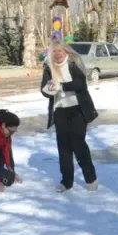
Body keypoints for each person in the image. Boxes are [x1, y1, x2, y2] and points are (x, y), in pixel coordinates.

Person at [41, 39, 99, 193]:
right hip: (60, 110)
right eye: (54, 52)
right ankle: (66, 181)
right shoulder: (48, 66)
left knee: (78, 144)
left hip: (78, 109)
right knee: (64, 148)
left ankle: (91, 177)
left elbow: (81, 84)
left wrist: (61, 86)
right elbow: (43, 89)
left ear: (65, 51)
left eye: (60, 51)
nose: (57, 54)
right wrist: (50, 88)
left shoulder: (74, 63)